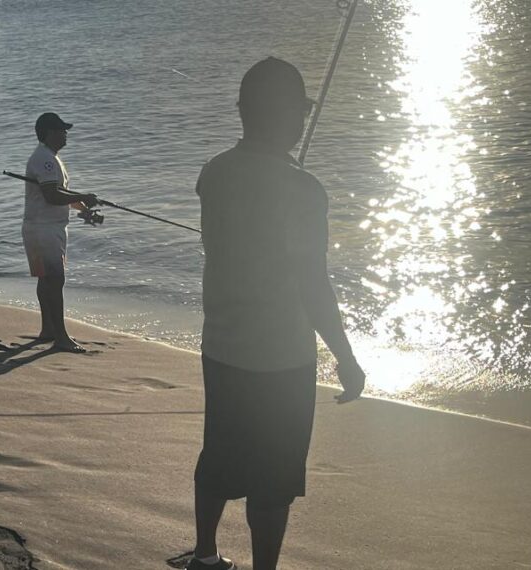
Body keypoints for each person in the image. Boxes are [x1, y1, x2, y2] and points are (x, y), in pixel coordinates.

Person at [187, 57, 366, 570]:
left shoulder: (213, 174)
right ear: (288, 114)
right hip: (281, 357)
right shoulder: (305, 190)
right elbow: (314, 282)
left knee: (218, 452)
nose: (303, 122)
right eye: (301, 112)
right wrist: (346, 357)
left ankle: (204, 555)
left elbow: (239, 227)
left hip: (222, 344)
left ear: (243, 111)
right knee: (274, 477)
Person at [21, 112, 98, 353]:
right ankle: (61, 337)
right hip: (44, 230)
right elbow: (52, 195)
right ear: (50, 133)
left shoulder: (50, 158)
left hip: (38, 228)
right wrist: (83, 196)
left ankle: (48, 329)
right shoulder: (45, 159)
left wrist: (83, 208)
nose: (66, 134)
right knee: (55, 280)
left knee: (46, 279)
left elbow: (59, 192)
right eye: (62, 130)